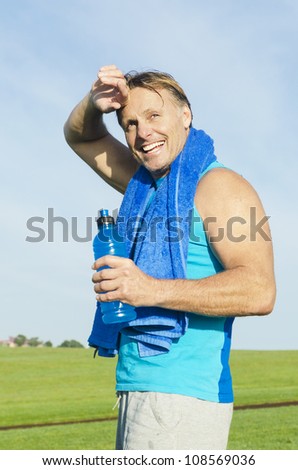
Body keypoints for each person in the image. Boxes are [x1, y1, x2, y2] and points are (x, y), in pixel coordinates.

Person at [64, 64, 276, 450]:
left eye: (153, 115)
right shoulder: (146, 185)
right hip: (141, 386)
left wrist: (148, 289)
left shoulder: (219, 185)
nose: (142, 132)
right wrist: (94, 104)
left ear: (186, 116)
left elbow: (260, 290)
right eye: (128, 123)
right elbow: (80, 137)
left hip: (181, 397)